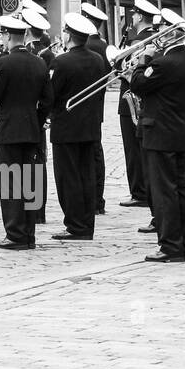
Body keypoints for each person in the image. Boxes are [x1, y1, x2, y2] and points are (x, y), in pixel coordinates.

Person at [131, 9, 185, 263]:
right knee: (180, 189)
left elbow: (137, 84)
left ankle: (170, 245)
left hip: (159, 133)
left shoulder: (162, 62)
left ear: (172, 33)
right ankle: (184, 245)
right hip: (178, 132)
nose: (157, 34)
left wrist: (142, 60)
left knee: (163, 192)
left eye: (161, 30)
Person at [0, 15, 52, 251]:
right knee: (29, 183)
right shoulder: (39, 63)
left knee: (11, 183)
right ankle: (29, 234)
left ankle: (14, 234)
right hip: (32, 129)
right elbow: (47, 100)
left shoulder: (4, 64)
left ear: (8, 36)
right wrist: (37, 120)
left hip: (10, 130)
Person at [47, 13, 108, 241]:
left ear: (69, 35)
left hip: (66, 128)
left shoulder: (61, 61)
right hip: (90, 127)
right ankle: (86, 224)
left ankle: (74, 225)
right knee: (87, 176)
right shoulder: (97, 59)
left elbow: (51, 95)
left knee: (68, 179)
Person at [118, 0, 159, 209]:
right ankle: (143, 190)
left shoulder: (139, 41)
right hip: (144, 100)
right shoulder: (151, 38)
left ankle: (139, 192)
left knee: (133, 150)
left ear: (140, 16)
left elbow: (131, 72)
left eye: (133, 14)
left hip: (132, 99)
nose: (131, 18)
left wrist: (123, 72)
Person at [20, 6, 54, 225]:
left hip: (27, 117)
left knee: (28, 164)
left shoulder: (37, 54)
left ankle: (31, 209)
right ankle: (37, 210)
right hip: (37, 117)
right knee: (36, 162)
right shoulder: (45, 52)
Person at [80, 2, 111, 215]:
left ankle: (92, 199)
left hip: (81, 108)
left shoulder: (87, 47)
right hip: (97, 106)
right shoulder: (104, 45)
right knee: (96, 153)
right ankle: (98, 199)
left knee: (87, 156)